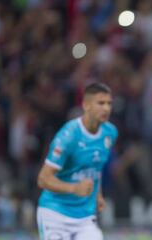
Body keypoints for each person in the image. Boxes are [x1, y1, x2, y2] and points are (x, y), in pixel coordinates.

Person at [36, 82, 118, 240]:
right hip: (55, 214)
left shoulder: (110, 133)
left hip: (85, 217)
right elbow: (43, 179)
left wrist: (98, 195)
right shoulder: (68, 136)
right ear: (86, 105)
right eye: (101, 103)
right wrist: (74, 188)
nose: (106, 108)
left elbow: (96, 167)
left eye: (109, 103)